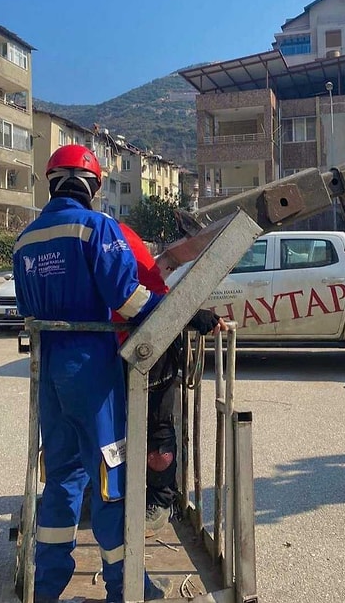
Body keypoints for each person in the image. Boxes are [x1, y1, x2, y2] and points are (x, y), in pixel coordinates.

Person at [12, 144, 172, 603]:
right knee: (109, 473)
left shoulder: (25, 240)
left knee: (61, 476)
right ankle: (127, 588)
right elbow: (128, 300)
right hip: (90, 369)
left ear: (51, 181)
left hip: (48, 370)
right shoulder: (96, 227)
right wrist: (179, 312)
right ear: (94, 185)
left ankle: (46, 588)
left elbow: (27, 310)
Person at [114, 223, 224, 536]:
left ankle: (160, 500)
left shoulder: (105, 235)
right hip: (127, 340)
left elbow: (137, 295)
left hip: (150, 341)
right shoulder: (107, 232)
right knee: (123, 426)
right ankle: (127, 491)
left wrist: (187, 315)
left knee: (157, 429)